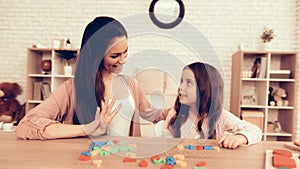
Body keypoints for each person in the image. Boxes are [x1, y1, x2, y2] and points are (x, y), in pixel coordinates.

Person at [16, 16, 168, 140]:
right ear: (96, 56)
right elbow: (27, 125)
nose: (123, 60)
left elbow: (152, 114)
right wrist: (86, 129)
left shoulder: (130, 84)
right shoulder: (72, 89)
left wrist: (176, 111)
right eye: (114, 56)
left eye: (125, 52)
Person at [163, 62, 262, 149]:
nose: (180, 87)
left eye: (189, 83)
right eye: (181, 81)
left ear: (205, 88)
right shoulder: (175, 114)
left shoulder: (220, 116)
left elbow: (255, 130)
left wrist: (239, 138)